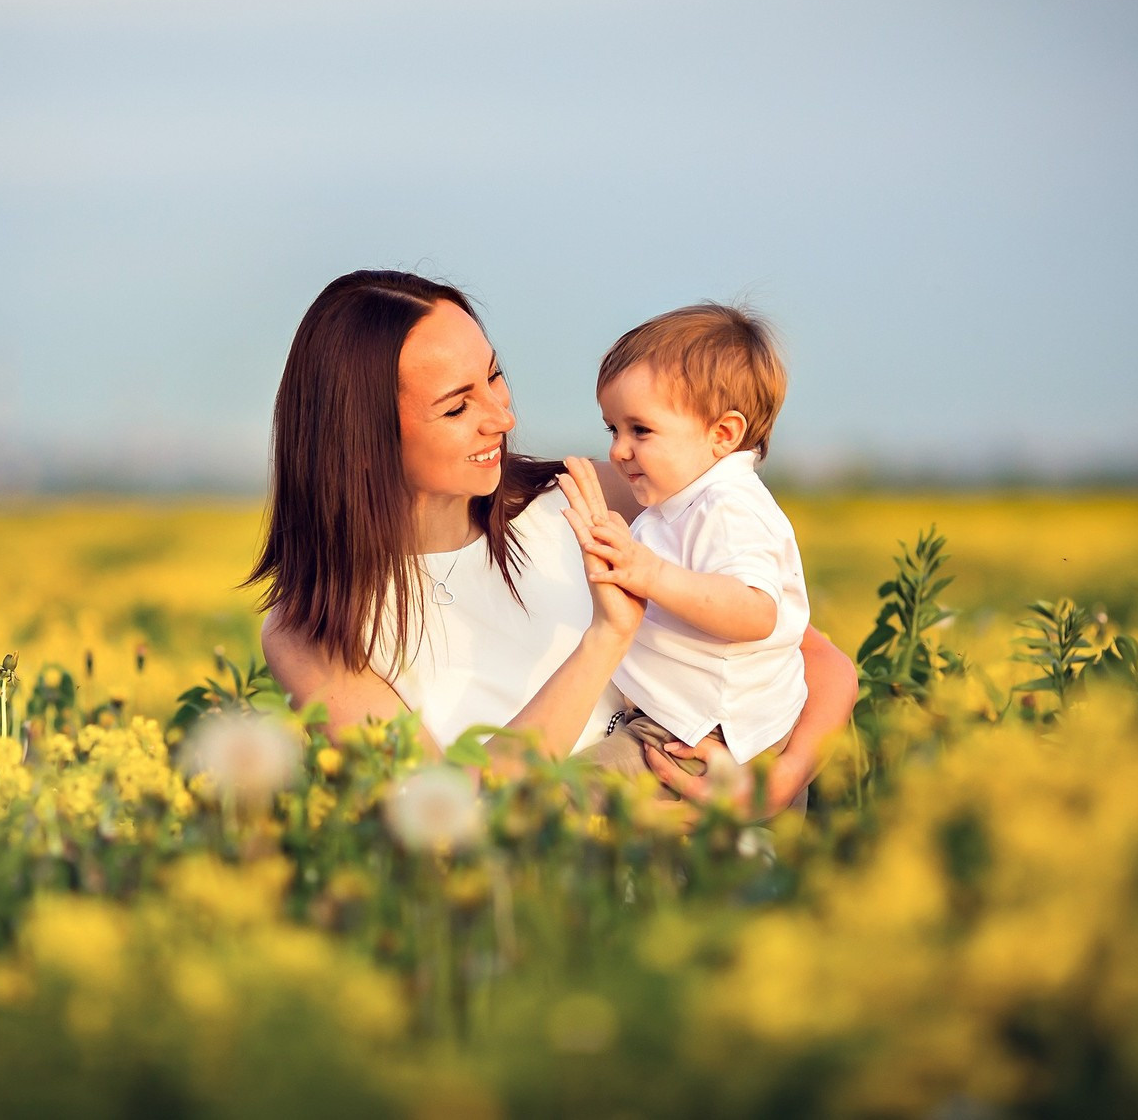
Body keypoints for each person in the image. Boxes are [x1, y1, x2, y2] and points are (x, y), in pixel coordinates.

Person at [251, 270, 856, 818]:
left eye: (494, 377)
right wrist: (605, 638)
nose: (502, 418)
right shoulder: (312, 629)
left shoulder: (591, 494)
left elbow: (808, 655)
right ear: (364, 438)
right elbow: (443, 817)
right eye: (458, 407)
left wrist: (781, 782)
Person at [572, 305, 810, 808]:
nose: (618, 450)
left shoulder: (727, 506)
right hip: (693, 722)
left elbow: (755, 611)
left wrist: (650, 573)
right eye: (612, 429)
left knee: (559, 796)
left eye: (640, 430)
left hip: (705, 735)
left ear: (722, 434)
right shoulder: (681, 503)